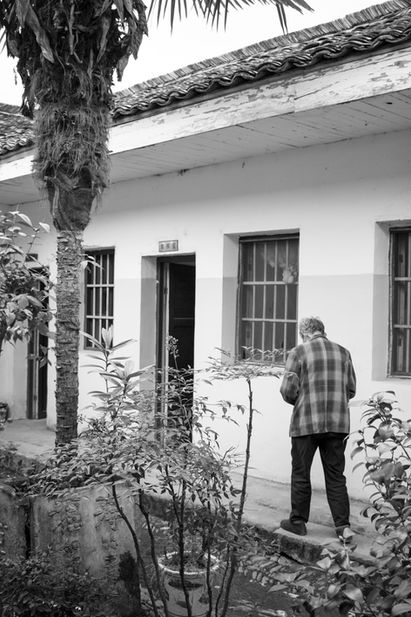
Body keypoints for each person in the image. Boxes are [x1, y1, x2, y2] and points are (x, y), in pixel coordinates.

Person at [279, 317, 356, 540]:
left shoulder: (298, 352)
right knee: (335, 475)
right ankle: (343, 527)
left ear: (304, 334)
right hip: (337, 423)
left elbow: (287, 390)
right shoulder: (344, 353)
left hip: (306, 423)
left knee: (301, 473)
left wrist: (301, 401)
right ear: (322, 331)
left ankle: (298, 523)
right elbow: (351, 389)